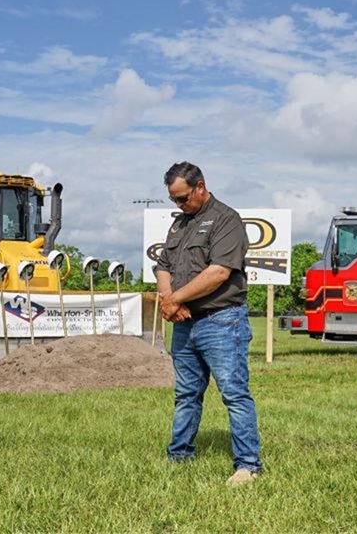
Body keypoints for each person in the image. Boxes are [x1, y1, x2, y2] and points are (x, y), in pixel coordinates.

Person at [154, 161, 262, 486]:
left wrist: (175, 300)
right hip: (185, 322)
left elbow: (218, 273)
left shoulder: (226, 219)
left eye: (183, 198)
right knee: (186, 394)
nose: (179, 205)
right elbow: (162, 265)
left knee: (234, 393)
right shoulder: (178, 225)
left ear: (200, 186)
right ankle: (179, 456)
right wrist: (168, 300)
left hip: (222, 321)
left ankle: (247, 466)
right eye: (173, 200)